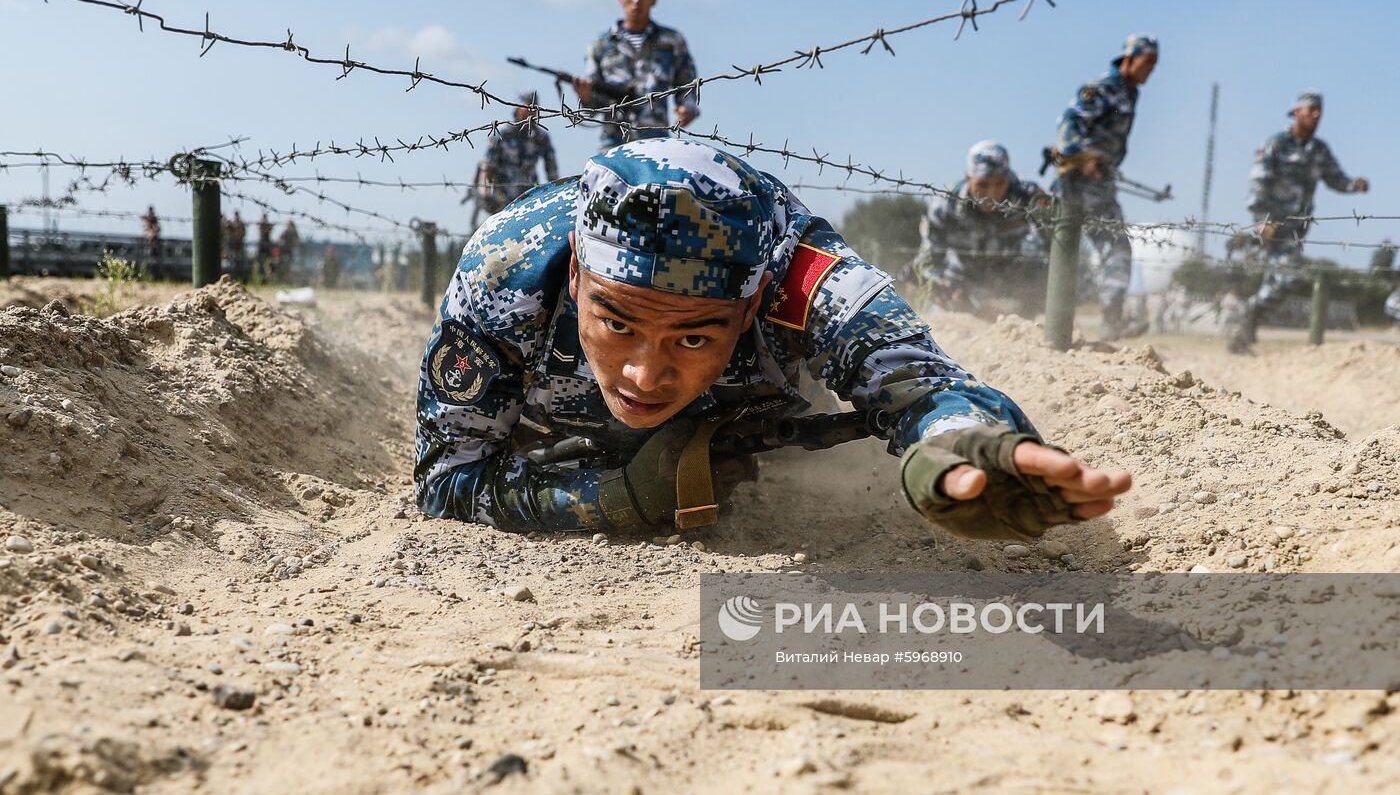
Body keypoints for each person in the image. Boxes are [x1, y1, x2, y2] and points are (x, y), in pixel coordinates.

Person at [414, 138, 1130, 539]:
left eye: (692, 337)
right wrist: (613, 497)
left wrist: (956, 441)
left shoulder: (800, 274)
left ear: (753, 300)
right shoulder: (506, 271)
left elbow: (923, 384)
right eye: (617, 322)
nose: (642, 372)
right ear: (576, 277)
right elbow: (447, 480)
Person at [1228, 92, 1370, 352]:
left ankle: (1246, 321)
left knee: (1283, 279)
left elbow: (1335, 178)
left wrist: (1354, 185)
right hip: (1272, 225)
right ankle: (1246, 319)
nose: (1317, 115)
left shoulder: (1319, 150)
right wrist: (1262, 221)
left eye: (1319, 110)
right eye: (1311, 109)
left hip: (1296, 229)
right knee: (1287, 274)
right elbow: (1258, 182)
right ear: (1296, 112)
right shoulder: (1277, 144)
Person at [1053, 33, 1159, 340]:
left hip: (1102, 183)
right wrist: (1083, 157)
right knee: (1068, 250)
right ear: (1129, 58)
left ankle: (1110, 322)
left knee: (1113, 248)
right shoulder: (1101, 88)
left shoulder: (1130, 92)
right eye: (1147, 62)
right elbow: (1069, 124)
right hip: (1077, 183)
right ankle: (1053, 322)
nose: (1150, 69)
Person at [913, 141, 1050, 317]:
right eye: (983, 185)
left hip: (1016, 286)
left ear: (1008, 178)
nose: (992, 194)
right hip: (961, 287)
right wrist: (944, 289)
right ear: (968, 178)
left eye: (999, 183)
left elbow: (1058, 246)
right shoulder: (946, 205)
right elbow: (927, 262)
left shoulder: (1029, 196)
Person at [571, 0, 700, 149]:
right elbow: (593, 105)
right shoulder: (600, 45)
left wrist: (687, 108)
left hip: (656, 142)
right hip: (613, 143)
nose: (637, 0)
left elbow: (687, 83)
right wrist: (585, 97)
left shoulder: (671, 41)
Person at [467, 92, 559, 228]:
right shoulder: (502, 134)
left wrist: (554, 196)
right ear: (517, 108)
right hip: (503, 200)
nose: (531, 112)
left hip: (530, 198)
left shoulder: (540, 137)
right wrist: (485, 195)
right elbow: (488, 166)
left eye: (534, 108)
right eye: (527, 107)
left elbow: (551, 170)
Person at [224, 210, 247, 280]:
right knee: (232, 261)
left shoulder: (241, 223)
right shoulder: (232, 223)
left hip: (239, 244)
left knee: (239, 261)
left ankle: (239, 275)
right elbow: (227, 230)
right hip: (233, 244)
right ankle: (233, 276)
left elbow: (243, 232)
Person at [255, 213, 275, 277]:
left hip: (267, 244)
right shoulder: (261, 225)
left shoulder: (267, 225)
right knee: (260, 261)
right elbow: (261, 228)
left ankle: (270, 274)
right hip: (262, 244)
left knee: (269, 260)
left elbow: (270, 229)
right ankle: (260, 274)